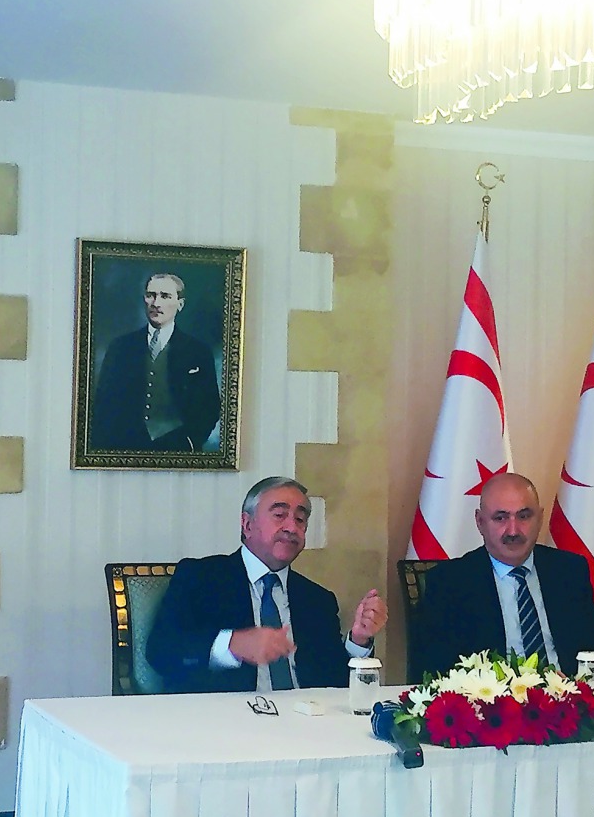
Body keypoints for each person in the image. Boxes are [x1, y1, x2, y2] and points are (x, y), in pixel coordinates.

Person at [146, 476, 389, 693]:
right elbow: (161, 651)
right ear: (247, 524)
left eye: (300, 519)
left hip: (305, 726)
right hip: (226, 725)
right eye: (279, 515)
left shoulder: (316, 598)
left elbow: (333, 683)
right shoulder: (201, 577)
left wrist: (358, 640)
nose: (292, 527)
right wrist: (232, 644)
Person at [410, 472, 594, 679]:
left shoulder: (568, 571)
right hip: (491, 705)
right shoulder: (450, 582)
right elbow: (431, 669)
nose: (513, 530)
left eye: (524, 516)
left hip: (566, 701)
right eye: (500, 518)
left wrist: (573, 685)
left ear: (540, 518)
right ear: (480, 522)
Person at [90, 273, 221, 451]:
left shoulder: (198, 351)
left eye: (165, 296)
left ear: (180, 304)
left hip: (178, 447)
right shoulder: (120, 347)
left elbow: (210, 407)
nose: (156, 303)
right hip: (125, 446)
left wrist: (190, 441)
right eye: (151, 295)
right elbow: (103, 403)